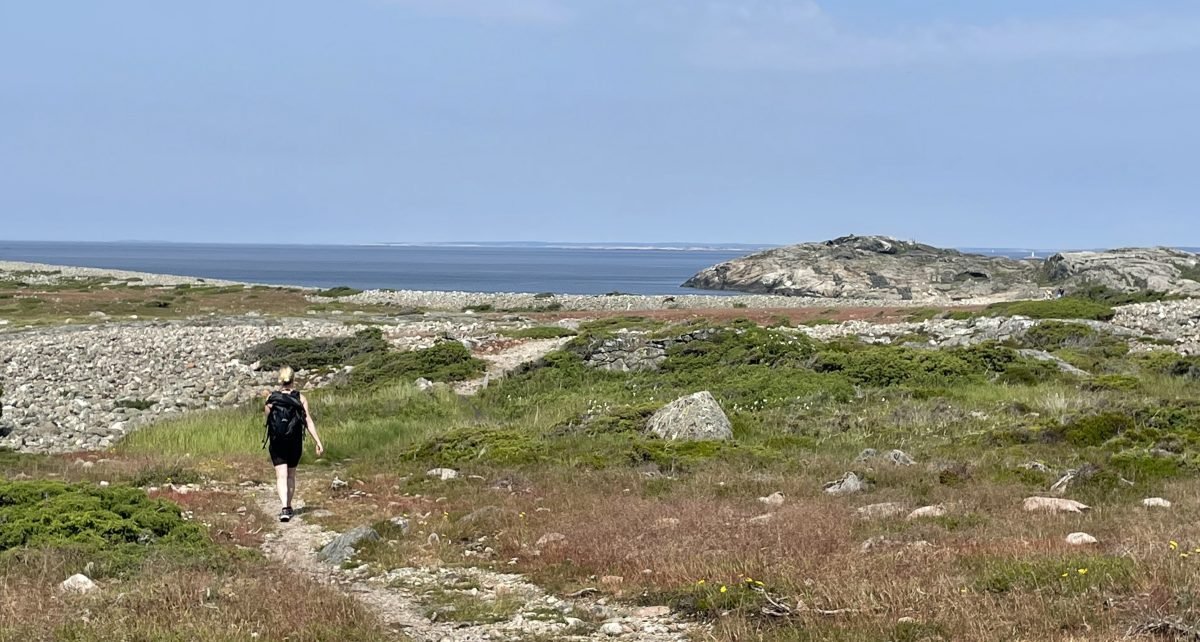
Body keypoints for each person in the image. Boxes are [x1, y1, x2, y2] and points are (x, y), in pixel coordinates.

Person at [264, 366, 324, 522]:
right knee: (291, 475)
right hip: (294, 441)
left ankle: (284, 507)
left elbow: (268, 420)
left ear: (280, 379)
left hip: (277, 442)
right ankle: (289, 506)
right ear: (293, 379)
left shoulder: (271, 398)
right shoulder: (300, 398)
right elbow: (308, 421)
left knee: (280, 476)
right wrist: (317, 441)